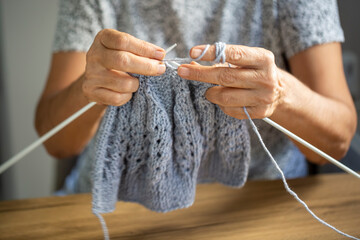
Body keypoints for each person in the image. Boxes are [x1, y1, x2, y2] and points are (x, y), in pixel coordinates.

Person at [35, 0, 357, 193]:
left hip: (257, 205)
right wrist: (88, 88)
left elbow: (338, 139)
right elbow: (56, 141)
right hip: (115, 205)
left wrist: (281, 94)